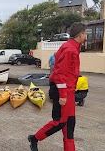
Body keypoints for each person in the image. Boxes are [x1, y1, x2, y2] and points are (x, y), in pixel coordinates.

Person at [28, 22, 87, 151]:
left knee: (69, 124)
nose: (86, 36)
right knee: (59, 122)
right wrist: (63, 95)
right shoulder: (70, 50)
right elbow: (60, 74)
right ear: (81, 34)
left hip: (69, 91)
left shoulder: (71, 47)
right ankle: (35, 138)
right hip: (63, 91)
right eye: (85, 33)